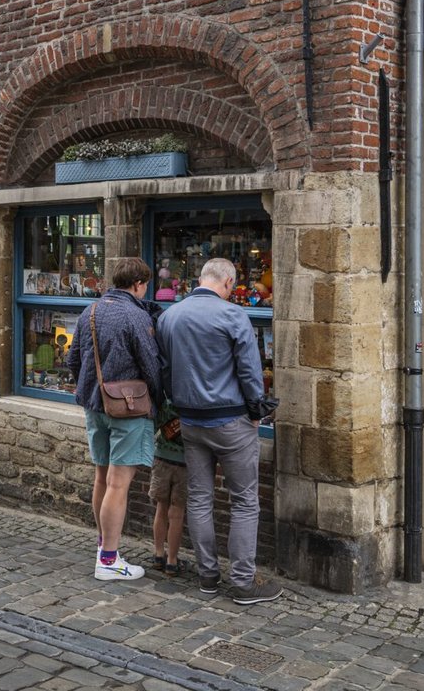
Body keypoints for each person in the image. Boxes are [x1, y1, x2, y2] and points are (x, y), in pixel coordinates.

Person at [157, 258, 282, 605]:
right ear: (228, 283)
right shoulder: (232, 316)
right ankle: (243, 582)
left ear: (201, 280)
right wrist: (257, 410)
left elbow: (165, 372)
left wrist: (179, 404)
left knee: (199, 498)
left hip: (192, 421)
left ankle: (207, 575)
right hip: (231, 421)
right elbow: (249, 371)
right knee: (244, 501)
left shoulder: (169, 317)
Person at [65, 257, 161, 582]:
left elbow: (72, 359)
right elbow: (151, 366)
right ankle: (108, 559)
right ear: (138, 285)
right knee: (119, 485)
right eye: (145, 284)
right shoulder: (136, 315)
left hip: (94, 406)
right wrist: (157, 402)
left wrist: (93, 388)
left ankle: (103, 545)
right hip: (129, 409)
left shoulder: (89, 311)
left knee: (101, 479)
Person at [150, 397, 187, 576]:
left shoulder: (164, 399)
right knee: (177, 512)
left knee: (161, 507)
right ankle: (172, 560)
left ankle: (158, 554)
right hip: (185, 463)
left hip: (161, 457)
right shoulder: (193, 402)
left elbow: (154, 423)